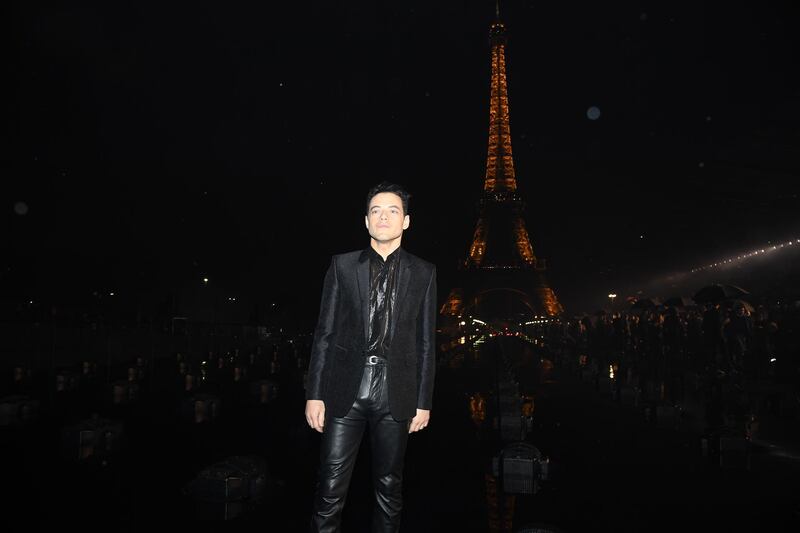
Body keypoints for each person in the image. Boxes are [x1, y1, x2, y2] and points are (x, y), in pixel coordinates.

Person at [305, 181, 437, 532]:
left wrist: (423, 400)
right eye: (376, 210)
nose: (383, 216)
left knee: (389, 487)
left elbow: (426, 341)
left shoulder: (424, 272)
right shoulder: (342, 266)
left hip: (396, 391)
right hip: (345, 386)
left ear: (405, 221)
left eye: (393, 210)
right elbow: (325, 333)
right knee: (329, 487)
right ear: (366, 221)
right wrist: (314, 393)